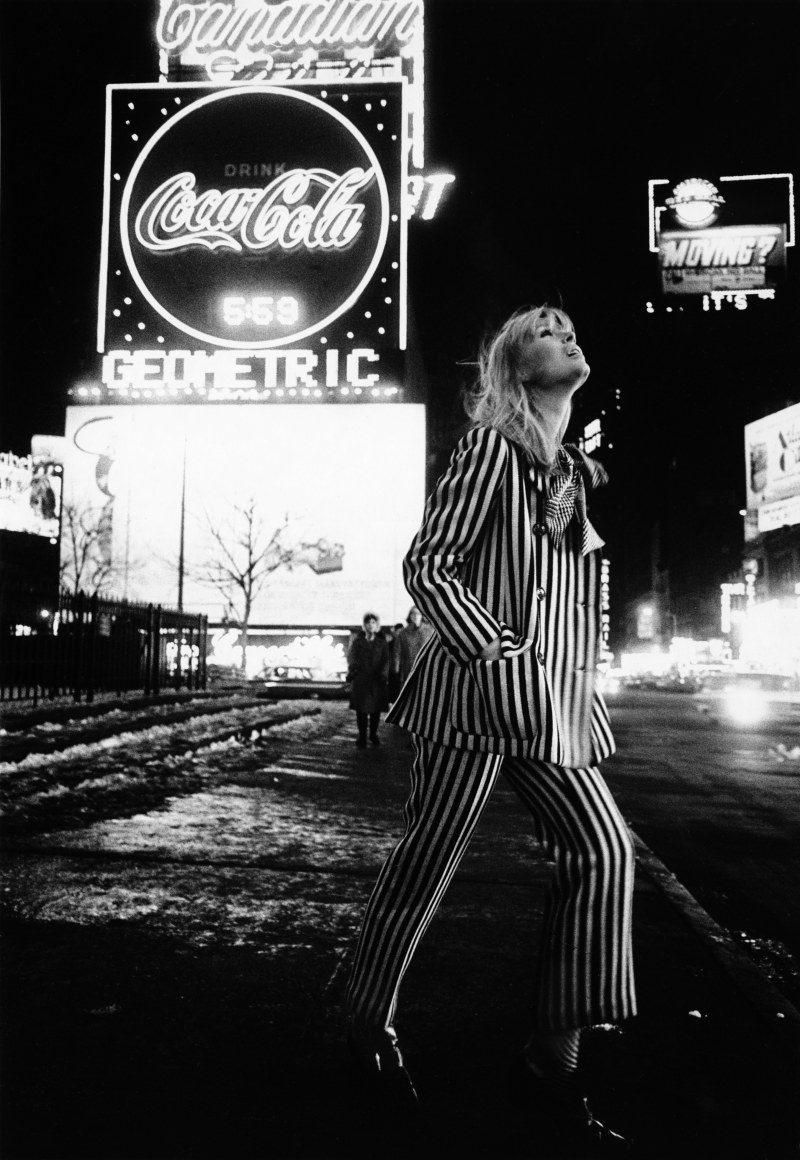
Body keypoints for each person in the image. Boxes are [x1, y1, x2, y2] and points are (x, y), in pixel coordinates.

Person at [344, 305, 636, 1153]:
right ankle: (364, 1024)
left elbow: (563, 583)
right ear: (514, 365)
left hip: (550, 704)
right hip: (473, 697)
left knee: (604, 852)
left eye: (571, 329)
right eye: (546, 331)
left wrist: (572, 680)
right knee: (425, 865)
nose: (567, 336)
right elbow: (428, 566)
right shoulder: (489, 449)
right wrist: (496, 650)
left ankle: (553, 1062)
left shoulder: (567, 469)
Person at [347, 612, 390, 748]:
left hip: (377, 681)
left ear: (377, 625)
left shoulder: (382, 643)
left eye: (373, 622)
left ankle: (373, 734)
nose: (370, 625)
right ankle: (362, 736)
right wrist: (353, 669)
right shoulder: (357, 642)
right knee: (361, 711)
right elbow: (351, 657)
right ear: (364, 625)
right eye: (368, 622)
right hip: (361, 680)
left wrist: (383, 674)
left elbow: (386, 660)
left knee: (375, 710)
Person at [393, 606, 433, 688]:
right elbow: (397, 652)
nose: (415, 616)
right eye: (413, 614)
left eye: (418, 613)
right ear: (409, 616)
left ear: (422, 615)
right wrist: (396, 669)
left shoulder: (430, 631)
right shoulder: (403, 633)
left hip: (425, 667)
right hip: (408, 668)